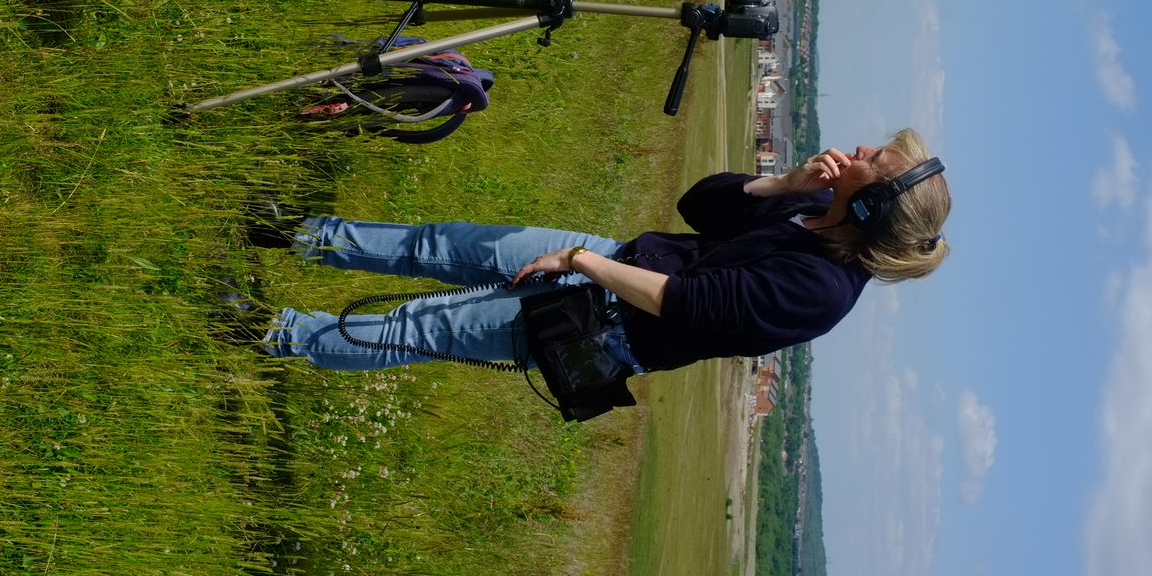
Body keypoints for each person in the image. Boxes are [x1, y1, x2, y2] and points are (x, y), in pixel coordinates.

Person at [238, 128, 950, 375]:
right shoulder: (807, 207)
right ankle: (303, 235)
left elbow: (684, 301)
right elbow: (698, 208)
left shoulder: (819, 293)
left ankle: (268, 332)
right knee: (444, 244)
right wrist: (777, 182)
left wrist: (579, 264)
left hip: (607, 325)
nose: (857, 148)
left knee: (418, 330)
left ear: (870, 204)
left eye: (873, 158)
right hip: (613, 260)